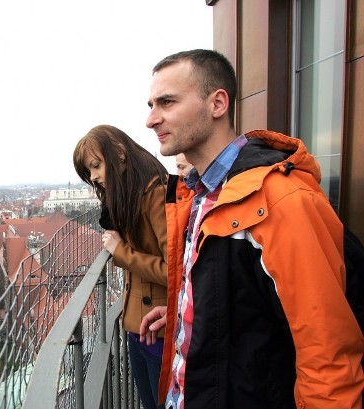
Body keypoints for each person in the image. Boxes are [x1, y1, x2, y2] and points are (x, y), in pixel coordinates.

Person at [139, 49, 364, 408]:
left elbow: (328, 352)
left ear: (217, 103)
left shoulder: (281, 200)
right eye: (150, 105)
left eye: (166, 102)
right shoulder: (196, 194)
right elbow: (245, 293)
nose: (151, 120)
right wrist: (187, 311)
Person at [73, 124, 169, 409]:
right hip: (138, 327)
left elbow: (174, 271)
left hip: (159, 330)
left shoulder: (155, 194)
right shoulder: (133, 195)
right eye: (89, 172)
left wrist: (121, 252)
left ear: (120, 154)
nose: (94, 178)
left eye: (96, 166)